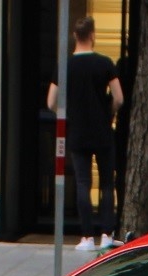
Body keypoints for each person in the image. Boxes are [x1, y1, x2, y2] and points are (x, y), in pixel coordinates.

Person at [47, 16, 122, 249]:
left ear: (75, 37)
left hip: (78, 131)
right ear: (92, 35)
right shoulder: (105, 63)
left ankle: (87, 236)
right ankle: (107, 233)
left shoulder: (64, 66)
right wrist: (109, 111)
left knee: (82, 182)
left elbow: (51, 101)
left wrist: (68, 113)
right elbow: (119, 97)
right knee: (107, 183)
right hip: (101, 130)